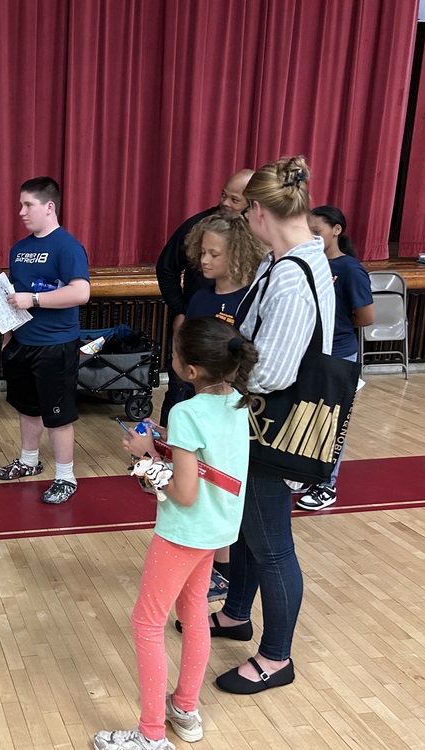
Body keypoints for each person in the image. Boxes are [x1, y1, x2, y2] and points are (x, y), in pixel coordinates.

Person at [202, 155, 336, 695]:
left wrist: (220, 375)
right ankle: (236, 612)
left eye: (243, 210)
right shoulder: (293, 261)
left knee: (272, 544)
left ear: (258, 211)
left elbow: (276, 370)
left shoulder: (290, 277)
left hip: (269, 428)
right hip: (261, 422)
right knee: (248, 531)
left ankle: (277, 658)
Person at [93, 317, 257, 750]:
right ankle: (185, 708)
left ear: (189, 370)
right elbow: (208, 461)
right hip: (216, 531)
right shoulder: (238, 401)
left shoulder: (186, 411)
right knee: (194, 616)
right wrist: (166, 440)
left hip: (183, 533)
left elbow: (182, 491)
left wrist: (143, 458)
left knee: (146, 623)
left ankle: (150, 735)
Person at [180, 214, 268, 601]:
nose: (205, 260)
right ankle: (201, 560)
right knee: (193, 477)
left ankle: (223, 568)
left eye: (214, 254)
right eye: (202, 252)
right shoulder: (199, 295)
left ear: (236, 256)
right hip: (196, 395)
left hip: (230, 403)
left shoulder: (250, 299)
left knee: (220, 484)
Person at [0, 176, 91, 505]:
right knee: (27, 408)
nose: (20, 211)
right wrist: (8, 336)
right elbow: (12, 298)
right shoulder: (19, 249)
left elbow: (81, 292)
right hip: (22, 343)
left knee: (58, 415)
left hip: (56, 345)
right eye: (21, 204)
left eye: (28, 205)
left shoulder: (67, 246)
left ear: (49, 207)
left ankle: (66, 476)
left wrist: (33, 300)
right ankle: (29, 460)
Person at [156, 169, 254, 426]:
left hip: (227, 387)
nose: (225, 203)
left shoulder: (249, 299)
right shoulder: (200, 296)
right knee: (179, 398)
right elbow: (166, 269)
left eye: (235, 199)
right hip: (192, 356)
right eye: (224, 195)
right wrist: (179, 310)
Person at [298, 206, 373, 510]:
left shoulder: (350, 269)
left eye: (318, 231)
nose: (313, 237)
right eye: (309, 232)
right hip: (310, 352)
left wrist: (336, 328)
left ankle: (327, 484)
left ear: (336, 230)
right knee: (308, 416)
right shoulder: (309, 264)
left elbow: (366, 317)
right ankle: (307, 473)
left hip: (339, 353)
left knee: (332, 420)